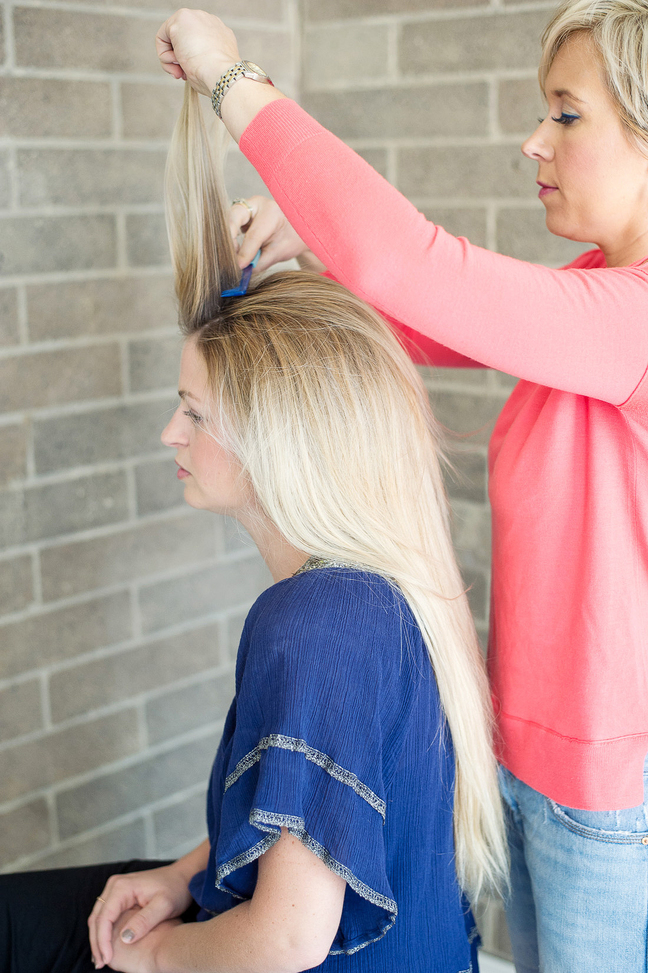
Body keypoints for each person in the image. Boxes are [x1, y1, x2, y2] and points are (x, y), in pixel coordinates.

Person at [154, 2, 648, 972]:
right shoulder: (598, 296)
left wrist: (228, 79)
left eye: (568, 114)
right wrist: (309, 245)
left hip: (608, 793)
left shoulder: (630, 324)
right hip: (541, 767)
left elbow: (409, 267)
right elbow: (417, 314)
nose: (534, 140)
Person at [0, 79, 507, 973]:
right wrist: (187, 876)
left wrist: (150, 959)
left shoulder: (314, 621)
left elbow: (284, 938)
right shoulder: (373, 594)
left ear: (277, 443)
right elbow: (315, 818)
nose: (170, 434)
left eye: (193, 412)